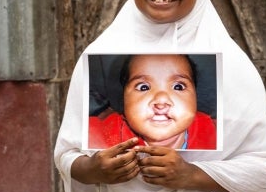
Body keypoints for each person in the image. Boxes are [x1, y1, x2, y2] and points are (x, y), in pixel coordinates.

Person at [54, 0, 266, 192]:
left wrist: (190, 175)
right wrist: (92, 169)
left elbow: (263, 168)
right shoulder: (100, 52)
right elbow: (66, 153)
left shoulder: (234, 68)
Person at [88, 54, 217, 150]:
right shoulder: (105, 134)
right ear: (124, 100)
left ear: (196, 96)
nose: (161, 101)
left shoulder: (214, 132)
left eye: (178, 86)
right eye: (143, 87)